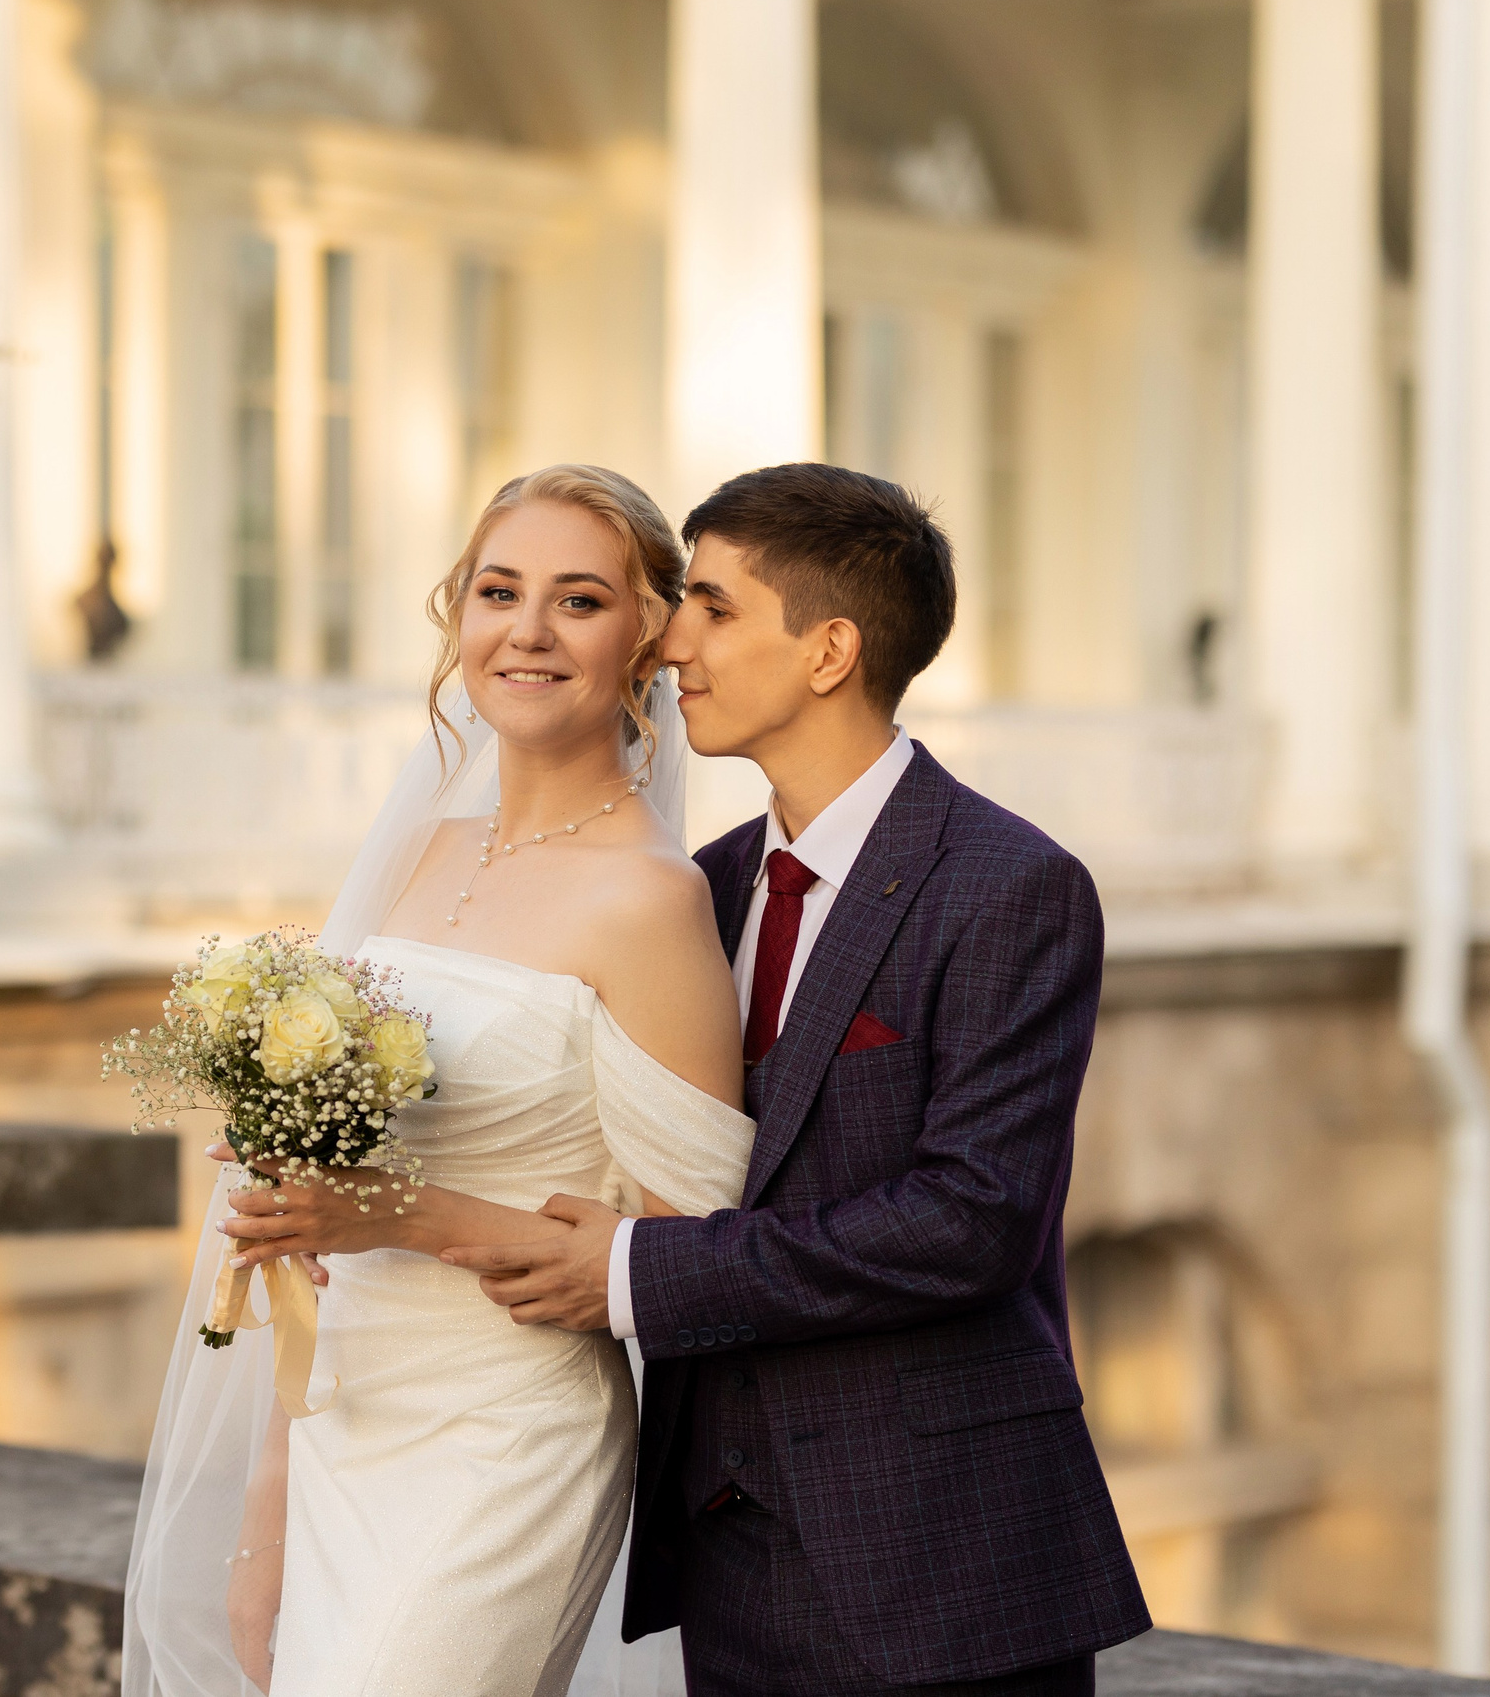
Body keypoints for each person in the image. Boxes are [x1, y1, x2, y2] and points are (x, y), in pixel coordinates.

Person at [445, 463, 1150, 1694]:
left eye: (712, 607)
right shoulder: (700, 887)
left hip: (942, 1562)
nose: (668, 641)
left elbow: (968, 1221)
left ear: (828, 650)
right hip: (727, 1546)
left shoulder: (1009, 884)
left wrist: (630, 1270)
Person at [119, 464, 755, 1696]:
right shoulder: (412, 853)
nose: (525, 630)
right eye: (496, 590)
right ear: (455, 613)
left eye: (578, 601)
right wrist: (268, 1510)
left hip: (507, 1432)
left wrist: (399, 1213)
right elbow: (314, 1246)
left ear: (646, 640)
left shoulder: (654, 900)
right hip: (343, 1412)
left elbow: (699, 1250)